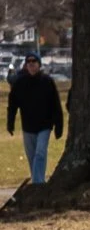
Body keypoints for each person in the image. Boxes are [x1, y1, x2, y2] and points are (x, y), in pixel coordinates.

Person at [7, 52, 62, 185]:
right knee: (32, 157)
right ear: (26, 65)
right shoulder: (20, 83)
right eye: (29, 62)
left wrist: (58, 126)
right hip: (28, 127)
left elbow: (56, 104)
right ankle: (37, 183)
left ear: (39, 64)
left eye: (34, 62)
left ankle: (38, 183)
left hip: (45, 126)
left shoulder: (47, 82)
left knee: (40, 153)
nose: (31, 65)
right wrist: (10, 123)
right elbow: (13, 105)